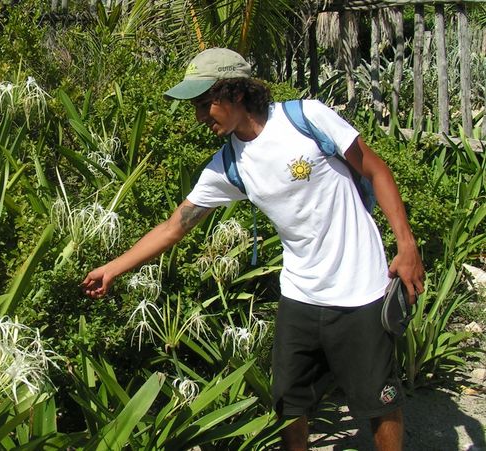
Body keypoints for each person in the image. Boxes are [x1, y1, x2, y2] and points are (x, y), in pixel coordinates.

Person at [81, 48, 425, 451]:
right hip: (300, 295)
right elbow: (176, 226)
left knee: (378, 403)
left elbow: (375, 168)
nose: (200, 116)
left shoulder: (306, 118)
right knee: (289, 403)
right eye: (195, 106)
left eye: (206, 103)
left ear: (237, 93)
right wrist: (113, 268)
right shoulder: (228, 165)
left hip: (360, 288)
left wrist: (407, 245)